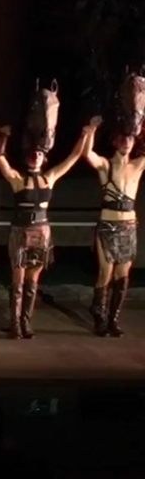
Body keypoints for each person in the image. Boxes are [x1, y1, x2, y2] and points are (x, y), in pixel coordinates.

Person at [0, 84, 94, 340]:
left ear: (44, 157)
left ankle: (26, 322)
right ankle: (14, 323)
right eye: (33, 153)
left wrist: (85, 134)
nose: (36, 156)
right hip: (20, 231)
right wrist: (0, 137)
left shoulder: (50, 177)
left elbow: (74, 157)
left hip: (41, 232)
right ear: (28, 156)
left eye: (39, 153)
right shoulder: (18, 180)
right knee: (18, 281)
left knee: (32, 283)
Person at [83, 70, 145, 337]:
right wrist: (91, 131)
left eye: (130, 139)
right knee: (105, 273)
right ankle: (99, 314)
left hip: (128, 226)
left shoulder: (137, 165)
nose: (127, 143)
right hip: (108, 225)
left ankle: (113, 319)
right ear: (115, 141)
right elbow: (88, 154)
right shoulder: (106, 165)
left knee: (123, 276)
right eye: (123, 139)